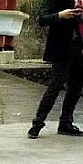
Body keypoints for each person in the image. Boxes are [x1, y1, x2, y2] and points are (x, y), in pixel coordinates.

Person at [27, 0, 83, 138]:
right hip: (62, 47)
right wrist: (60, 15)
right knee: (56, 84)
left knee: (76, 86)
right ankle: (37, 124)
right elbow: (41, 19)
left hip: (79, 46)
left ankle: (66, 122)